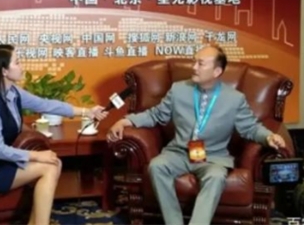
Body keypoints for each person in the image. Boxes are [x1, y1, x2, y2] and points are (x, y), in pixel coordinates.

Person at [107, 44, 286, 225]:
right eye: (194, 62)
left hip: (213, 157)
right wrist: (126, 121)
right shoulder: (178, 89)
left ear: (216, 71)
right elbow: (156, 115)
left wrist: (268, 137)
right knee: (157, 166)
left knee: (216, 176)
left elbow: (251, 128)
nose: (194, 67)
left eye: (201, 64)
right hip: (178, 153)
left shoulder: (234, 99)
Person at [0, 44, 108, 225]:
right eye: (17, 63)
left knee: (54, 163)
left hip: (1, 163)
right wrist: (36, 155)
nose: (22, 67)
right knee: (49, 166)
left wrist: (87, 111)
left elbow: (46, 105)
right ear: (4, 71)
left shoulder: (14, 92)